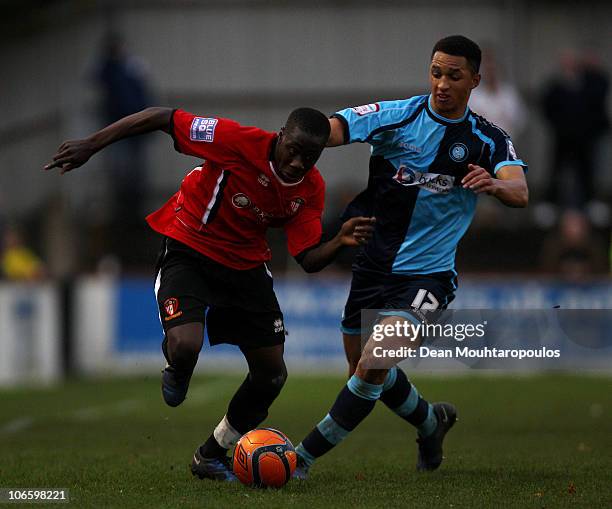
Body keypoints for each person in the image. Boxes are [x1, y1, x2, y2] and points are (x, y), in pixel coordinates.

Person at [44, 106, 375, 481]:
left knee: (271, 376)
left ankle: (211, 454)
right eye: (294, 150)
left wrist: (340, 241)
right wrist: (92, 143)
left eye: (310, 156)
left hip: (246, 267)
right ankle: (177, 365)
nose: (298, 163)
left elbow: (308, 259)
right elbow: (163, 117)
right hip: (190, 248)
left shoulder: (310, 189)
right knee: (186, 344)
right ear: (281, 135)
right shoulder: (235, 140)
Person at [293, 35, 529, 478]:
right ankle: (430, 421)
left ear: (474, 80)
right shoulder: (396, 117)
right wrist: (297, 138)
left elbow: (520, 190)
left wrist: (495, 185)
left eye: (454, 75)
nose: (442, 83)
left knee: (374, 361)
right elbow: (337, 127)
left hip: (430, 278)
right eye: (436, 72)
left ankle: (298, 459)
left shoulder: (487, 139)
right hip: (372, 267)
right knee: (362, 373)